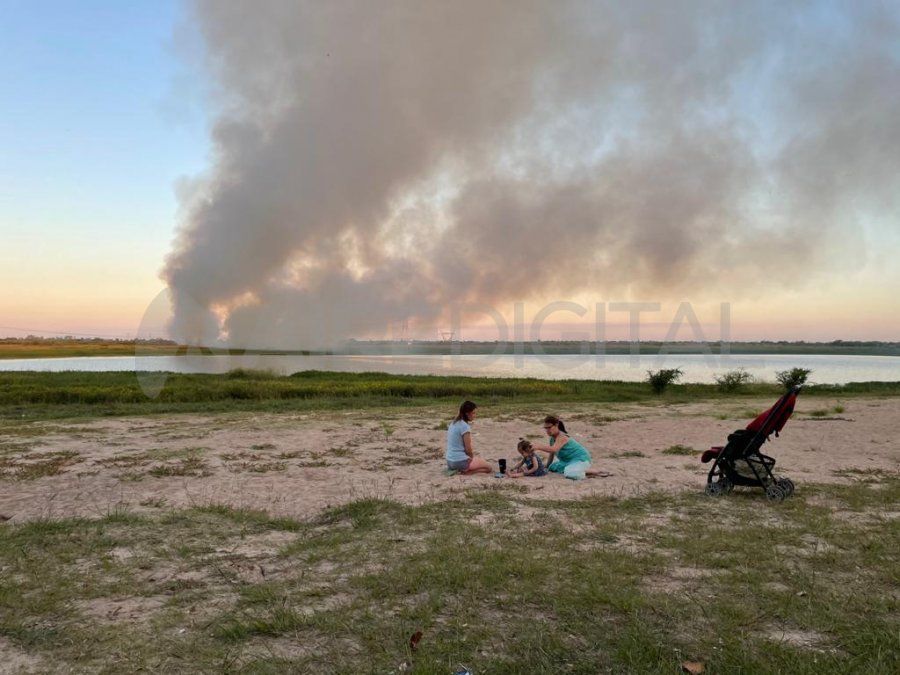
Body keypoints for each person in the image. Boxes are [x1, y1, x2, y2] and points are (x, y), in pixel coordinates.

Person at [530, 414, 610, 479]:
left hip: (580, 459)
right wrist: (547, 466)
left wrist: (538, 447)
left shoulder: (562, 436)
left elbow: (554, 449)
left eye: (549, 427)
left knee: (569, 473)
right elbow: (552, 453)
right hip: (567, 462)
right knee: (552, 467)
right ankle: (582, 470)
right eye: (546, 428)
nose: (547, 430)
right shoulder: (552, 438)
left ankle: (596, 471)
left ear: (556, 425)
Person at [445, 400, 492, 474]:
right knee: (489, 468)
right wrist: (471, 458)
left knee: (479, 462)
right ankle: (468, 472)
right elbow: (468, 449)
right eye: (473, 413)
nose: (474, 415)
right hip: (459, 462)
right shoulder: (464, 426)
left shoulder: (453, 423)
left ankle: (464, 469)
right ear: (467, 413)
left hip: (449, 461)